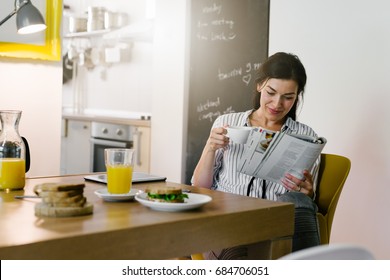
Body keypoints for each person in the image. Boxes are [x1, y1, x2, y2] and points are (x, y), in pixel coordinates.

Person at [192, 52, 321, 259]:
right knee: (238, 233)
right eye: (271, 92)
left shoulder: (306, 137)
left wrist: (307, 193)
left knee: (297, 201)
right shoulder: (227, 123)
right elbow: (200, 187)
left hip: (276, 229)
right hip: (228, 222)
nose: (277, 104)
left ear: (297, 97)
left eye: (288, 97)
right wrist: (210, 148)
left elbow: (303, 204)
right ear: (259, 85)